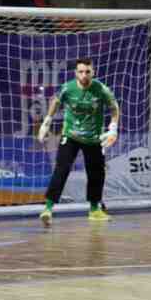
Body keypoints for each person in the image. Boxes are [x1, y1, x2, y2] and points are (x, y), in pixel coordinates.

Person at [36, 58, 119, 226]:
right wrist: (46, 123)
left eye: (87, 71)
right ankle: (48, 209)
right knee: (61, 169)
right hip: (71, 137)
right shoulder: (68, 88)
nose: (84, 75)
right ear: (76, 73)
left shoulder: (101, 89)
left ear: (93, 72)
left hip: (93, 138)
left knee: (96, 173)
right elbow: (55, 101)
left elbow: (114, 106)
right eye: (81, 72)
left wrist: (113, 128)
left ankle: (94, 210)